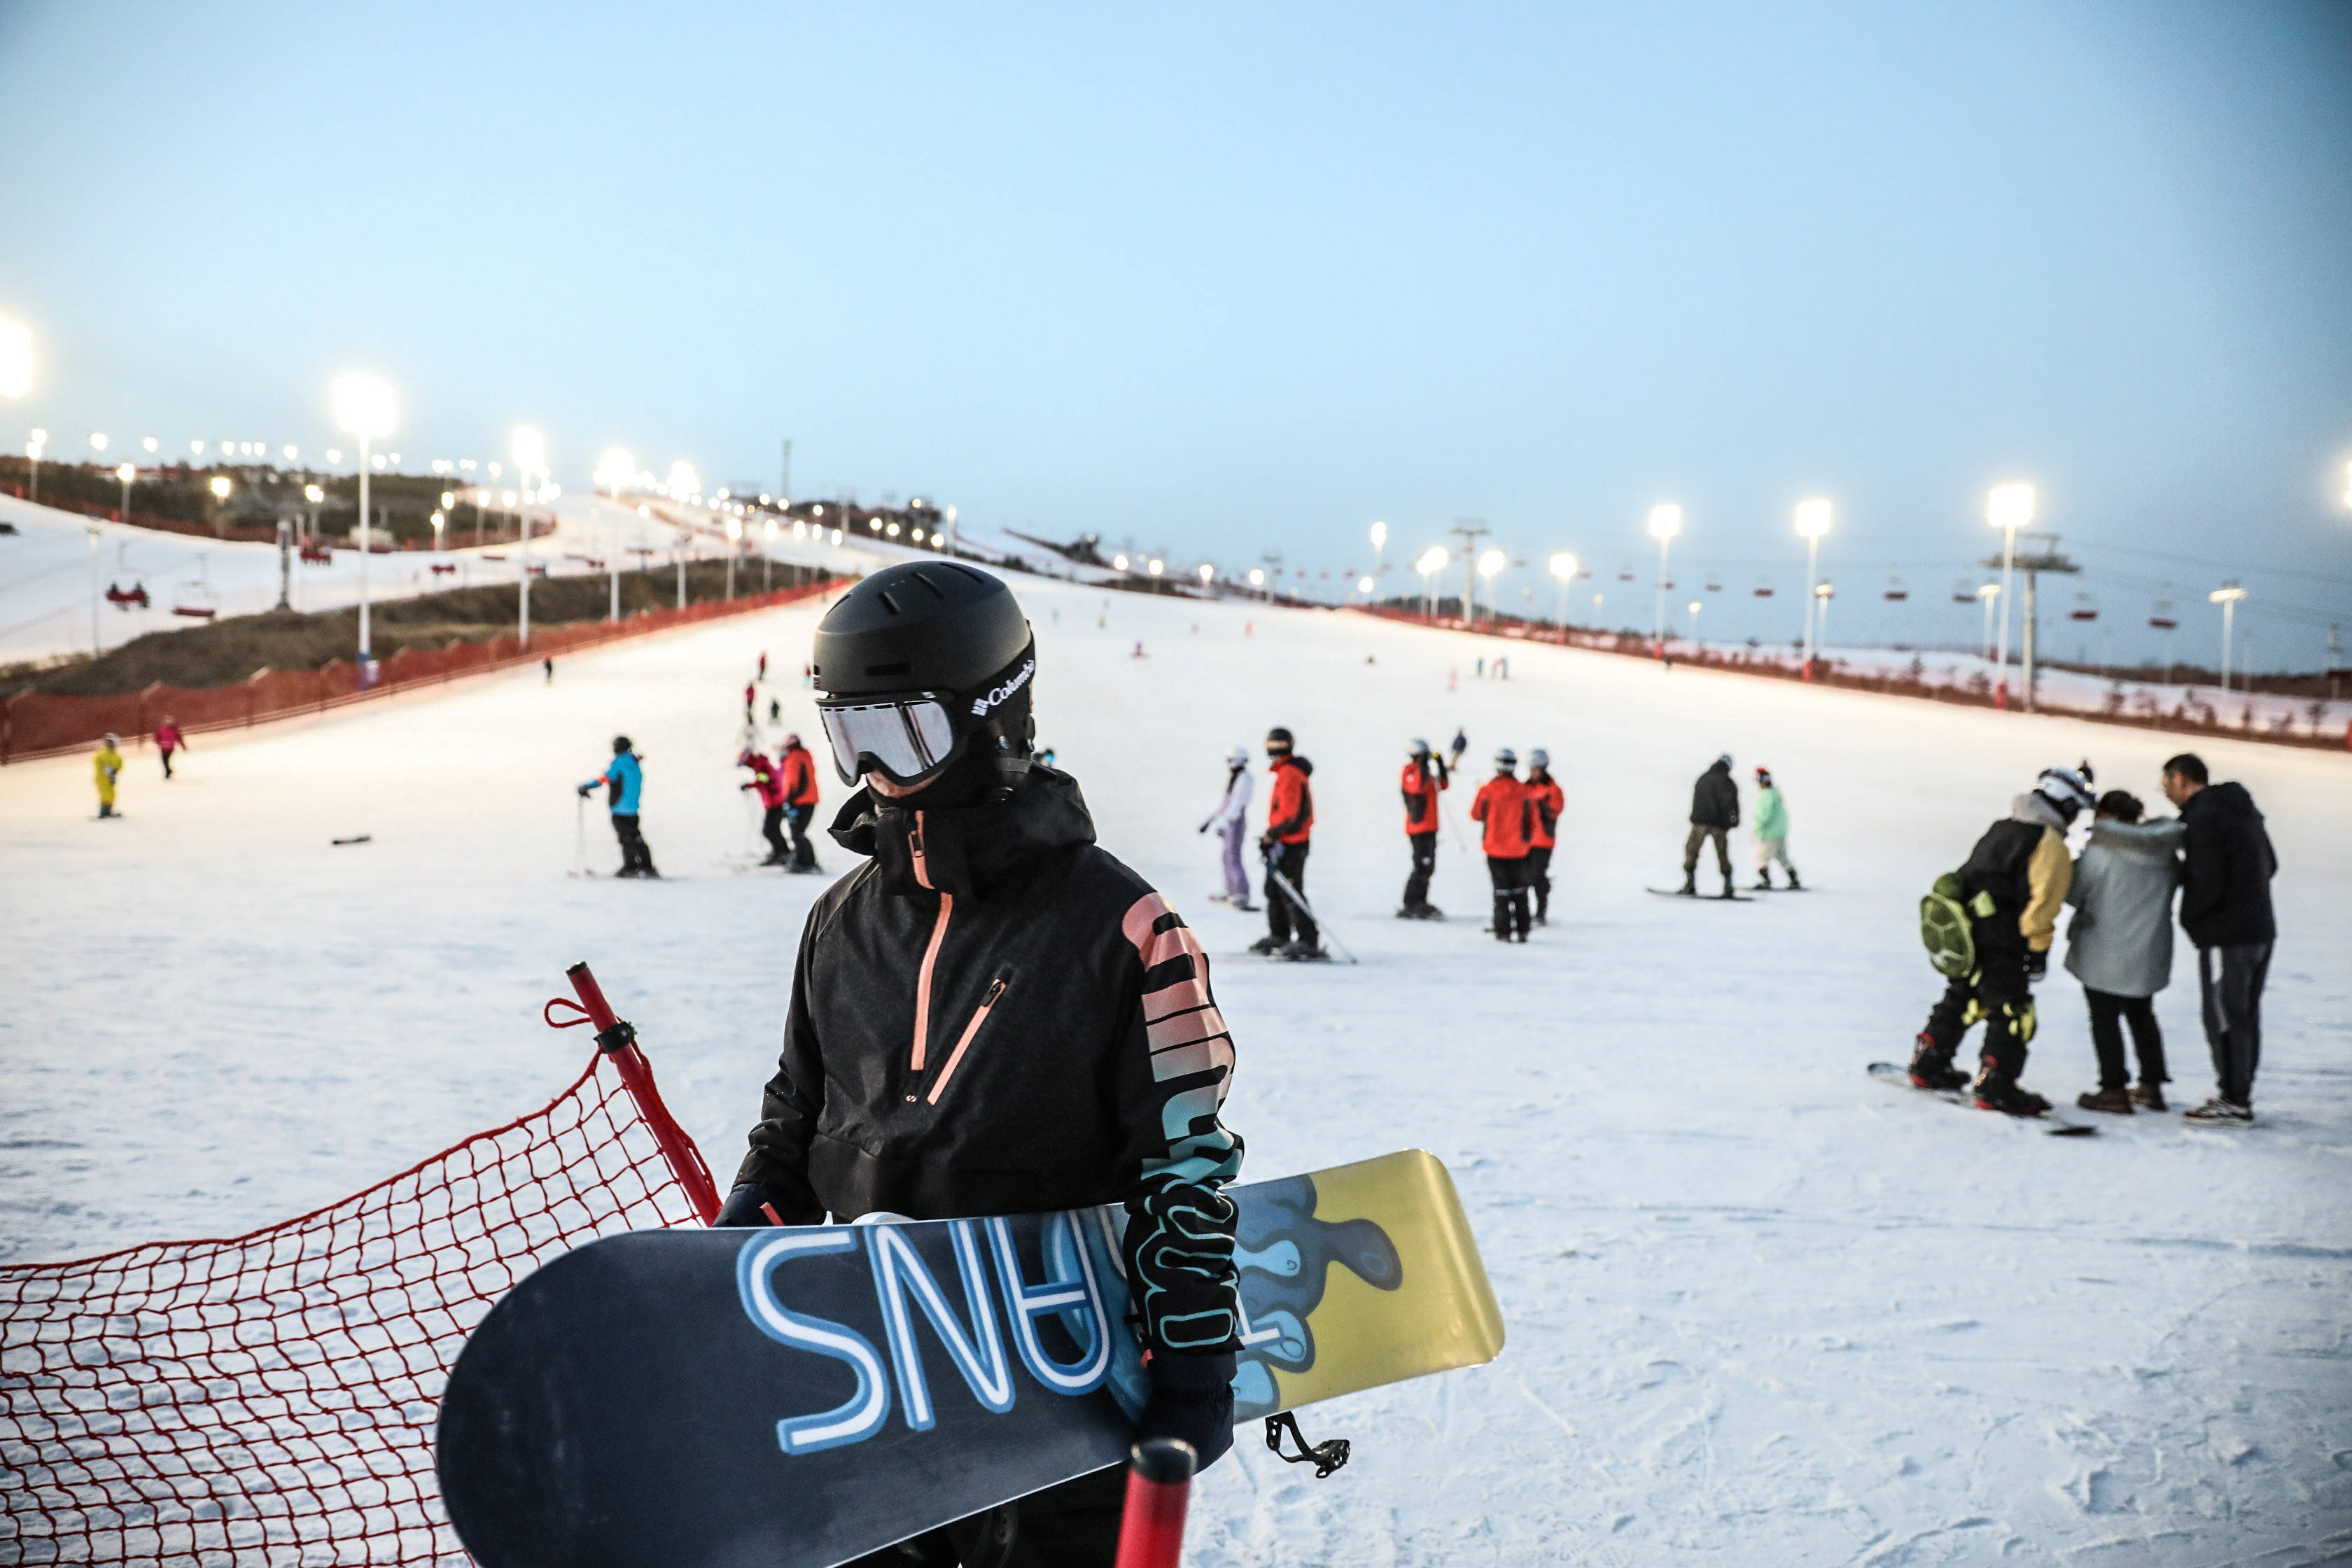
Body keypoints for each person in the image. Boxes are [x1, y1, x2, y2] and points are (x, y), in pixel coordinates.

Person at [714, 561, 1243, 1566]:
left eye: (902, 734)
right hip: (879, 1379)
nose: (875, 772)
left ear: (995, 717)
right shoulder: (839, 925)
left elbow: (1184, 1164)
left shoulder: (1123, 929)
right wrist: (744, 1240)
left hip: (1060, 1391)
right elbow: (797, 1117)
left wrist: (1192, 1362)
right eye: (851, 736)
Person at [1907, 766, 2094, 1115]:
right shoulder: (2049, 843)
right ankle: (1997, 1084)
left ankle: (1929, 1060)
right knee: (2012, 1010)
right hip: (2006, 938)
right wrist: (2038, 951)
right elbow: (2043, 906)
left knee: (1963, 995)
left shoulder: (2002, 828)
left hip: (1968, 933)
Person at [2164, 752, 2277, 1126]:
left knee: (2224, 1015)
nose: (2166, 792)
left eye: (2166, 783)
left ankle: (2234, 1099)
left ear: (2181, 778)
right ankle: (2237, 1092)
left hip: (2226, 935)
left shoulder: (2204, 818)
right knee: (2245, 1013)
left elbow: (2207, 881)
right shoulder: (2242, 811)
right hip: (2260, 929)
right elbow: (2271, 863)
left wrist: (2193, 920)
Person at [2063, 789, 2182, 1114]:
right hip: (2148, 949)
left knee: (2104, 1018)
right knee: (2142, 1015)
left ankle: (2113, 1090)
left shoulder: (2099, 853)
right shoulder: (2165, 854)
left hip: (2103, 948)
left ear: (2105, 817)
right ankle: (2151, 1087)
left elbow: (2073, 894)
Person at [1252, 727, 1320, 959]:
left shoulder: (1290, 773)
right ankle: (1279, 934)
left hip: (1292, 842)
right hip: (1284, 840)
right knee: (1273, 889)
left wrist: (1272, 833)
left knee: (1291, 890)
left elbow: (1289, 814)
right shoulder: (1286, 772)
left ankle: (1308, 940)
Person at [1471, 749, 1533, 941]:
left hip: (1495, 848)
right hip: (1520, 850)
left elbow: (1476, 814)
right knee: (1520, 892)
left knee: (1500, 892)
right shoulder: (1525, 791)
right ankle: (1523, 930)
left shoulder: (1487, 790)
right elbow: (1533, 821)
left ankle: (1503, 931)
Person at [578, 736, 658, 878]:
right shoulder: (634, 763)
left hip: (619, 808)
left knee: (626, 838)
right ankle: (647, 866)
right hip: (633, 809)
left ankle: (630, 867)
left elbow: (604, 779)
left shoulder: (620, 763)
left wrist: (587, 787)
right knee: (637, 837)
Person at [1396, 738, 1449, 919]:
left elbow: (1442, 785)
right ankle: (1411, 902)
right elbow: (1417, 787)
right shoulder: (1409, 771)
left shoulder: (1426, 772)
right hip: (1418, 827)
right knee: (1421, 865)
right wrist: (1422, 767)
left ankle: (1421, 900)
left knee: (1428, 867)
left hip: (1431, 827)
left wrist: (1441, 766)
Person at [1201, 746, 1255, 910]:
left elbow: (1236, 803)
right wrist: (1210, 820)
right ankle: (1230, 890)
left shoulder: (1244, 778)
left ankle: (1241, 892)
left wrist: (1225, 822)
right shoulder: (1235, 777)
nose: (1230, 764)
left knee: (1233, 856)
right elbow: (1225, 804)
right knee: (1226, 856)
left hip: (1235, 822)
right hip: (1228, 821)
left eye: (1233, 760)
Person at [1679, 754, 1739, 897]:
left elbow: (1696, 800)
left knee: (1691, 851)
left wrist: (1695, 818)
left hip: (1700, 822)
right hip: (1719, 824)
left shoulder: (1703, 778)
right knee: (1722, 854)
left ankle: (1690, 884)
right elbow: (1733, 805)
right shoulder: (1728, 782)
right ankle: (1728, 886)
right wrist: (1733, 822)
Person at [1523, 749, 1562, 925]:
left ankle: (1540, 913)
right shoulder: (1525, 787)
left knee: (1538, 877)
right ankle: (1525, 912)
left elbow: (1555, 811)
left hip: (1543, 841)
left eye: (1536, 769)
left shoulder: (1553, 789)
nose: (1533, 773)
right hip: (1525, 841)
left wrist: (1537, 804)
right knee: (1523, 877)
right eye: (1531, 769)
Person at [777, 731, 822, 873]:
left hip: (800, 801)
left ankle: (804, 862)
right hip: (806, 799)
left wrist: (791, 800)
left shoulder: (795, 757)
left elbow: (794, 781)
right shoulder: (804, 756)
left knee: (797, 832)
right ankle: (805, 860)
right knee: (799, 832)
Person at [738, 746, 790, 866]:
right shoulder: (761, 763)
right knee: (773, 829)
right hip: (773, 802)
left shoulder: (760, 765)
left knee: (769, 830)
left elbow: (765, 779)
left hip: (775, 803)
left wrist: (749, 785)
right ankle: (782, 852)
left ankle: (781, 853)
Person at [1751, 766, 1800, 890]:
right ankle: (1794, 879)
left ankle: (1765, 881)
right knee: (1782, 856)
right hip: (1780, 832)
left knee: (1762, 857)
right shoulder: (1776, 793)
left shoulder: (1766, 796)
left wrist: (1756, 830)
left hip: (1769, 833)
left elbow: (1764, 816)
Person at [94, 734, 123, 818]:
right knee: (105, 795)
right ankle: (103, 811)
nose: (112, 745)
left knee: (112, 794)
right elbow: (99, 762)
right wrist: (107, 769)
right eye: (110, 743)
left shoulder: (116, 755)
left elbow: (120, 764)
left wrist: (115, 771)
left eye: (113, 744)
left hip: (111, 779)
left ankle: (108, 810)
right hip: (102, 779)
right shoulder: (102, 754)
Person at [155, 716, 185, 780]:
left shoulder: (174, 730)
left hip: (169, 748)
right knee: (165, 761)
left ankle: (168, 772)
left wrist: (183, 746)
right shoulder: (162, 729)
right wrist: (158, 742)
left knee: (165, 761)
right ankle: (168, 771)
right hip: (164, 748)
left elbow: (179, 738)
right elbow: (158, 736)